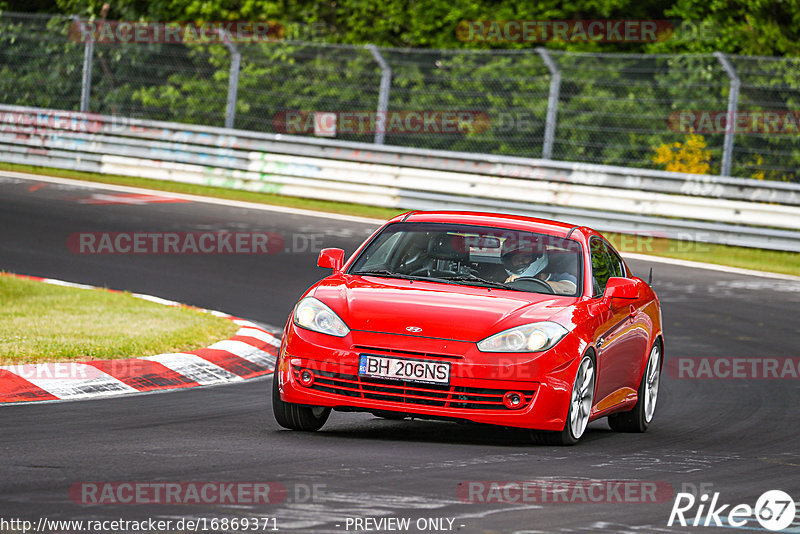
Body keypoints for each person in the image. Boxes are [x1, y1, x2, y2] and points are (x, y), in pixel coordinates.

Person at [501, 239, 577, 294]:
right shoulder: (507, 279)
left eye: (526, 257)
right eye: (516, 259)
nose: (521, 261)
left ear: (537, 257)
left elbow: (571, 289)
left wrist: (526, 283)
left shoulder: (561, 277)